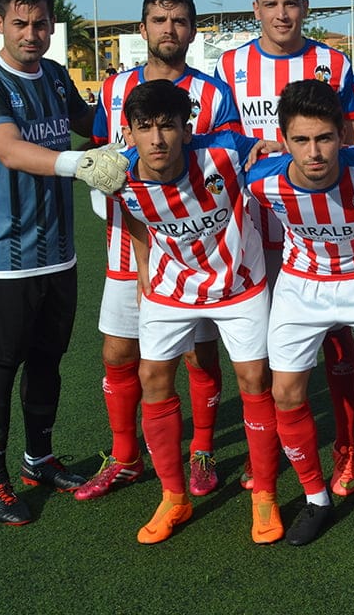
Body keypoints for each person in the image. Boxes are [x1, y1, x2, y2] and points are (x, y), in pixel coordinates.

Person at [0, 0, 128, 525]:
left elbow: (91, 124)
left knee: (48, 362)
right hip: (2, 259)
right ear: (1, 24)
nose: (31, 33)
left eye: (40, 24)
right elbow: (9, 150)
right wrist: (82, 163)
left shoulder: (55, 76)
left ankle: (39, 459)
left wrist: (142, 125)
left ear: (52, 26)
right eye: (20, 23)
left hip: (60, 252)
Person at [77, 0, 241, 502]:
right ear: (143, 27)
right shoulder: (113, 89)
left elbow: (225, 167)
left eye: (179, 20)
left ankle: (203, 449)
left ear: (193, 29)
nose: (169, 29)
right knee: (119, 352)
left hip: (196, 254)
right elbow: (106, 160)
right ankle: (125, 457)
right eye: (158, 19)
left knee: (197, 356)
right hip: (128, 246)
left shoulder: (214, 95)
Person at [245, 79, 354, 548]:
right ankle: (316, 498)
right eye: (301, 140)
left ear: (343, 134)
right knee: (284, 393)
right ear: (283, 141)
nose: (314, 151)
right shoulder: (261, 179)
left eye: (324, 138)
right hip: (303, 287)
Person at [215, 0, 354, 497]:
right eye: (271, 4)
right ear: (255, 9)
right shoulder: (230, 65)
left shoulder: (334, 62)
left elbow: (349, 132)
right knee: (268, 353)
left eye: (292, 3)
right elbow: (224, 137)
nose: (282, 13)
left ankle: (346, 449)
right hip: (253, 229)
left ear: (305, 7)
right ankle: (272, 449)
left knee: (338, 342)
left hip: (321, 230)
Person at [112, 79, 280, 545]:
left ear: (187, 131)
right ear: (130, 132)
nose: (157, 138)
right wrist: (144, 264)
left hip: (238, 283)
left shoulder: (224, 152)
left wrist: (274, 147)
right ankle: (173, 496)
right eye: (145, 127)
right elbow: (132, 211)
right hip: (171, 288)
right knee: (153, 378)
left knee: (254, 379)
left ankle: (264, 493)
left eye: (168, 126)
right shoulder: (117, 173)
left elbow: (274, 152)